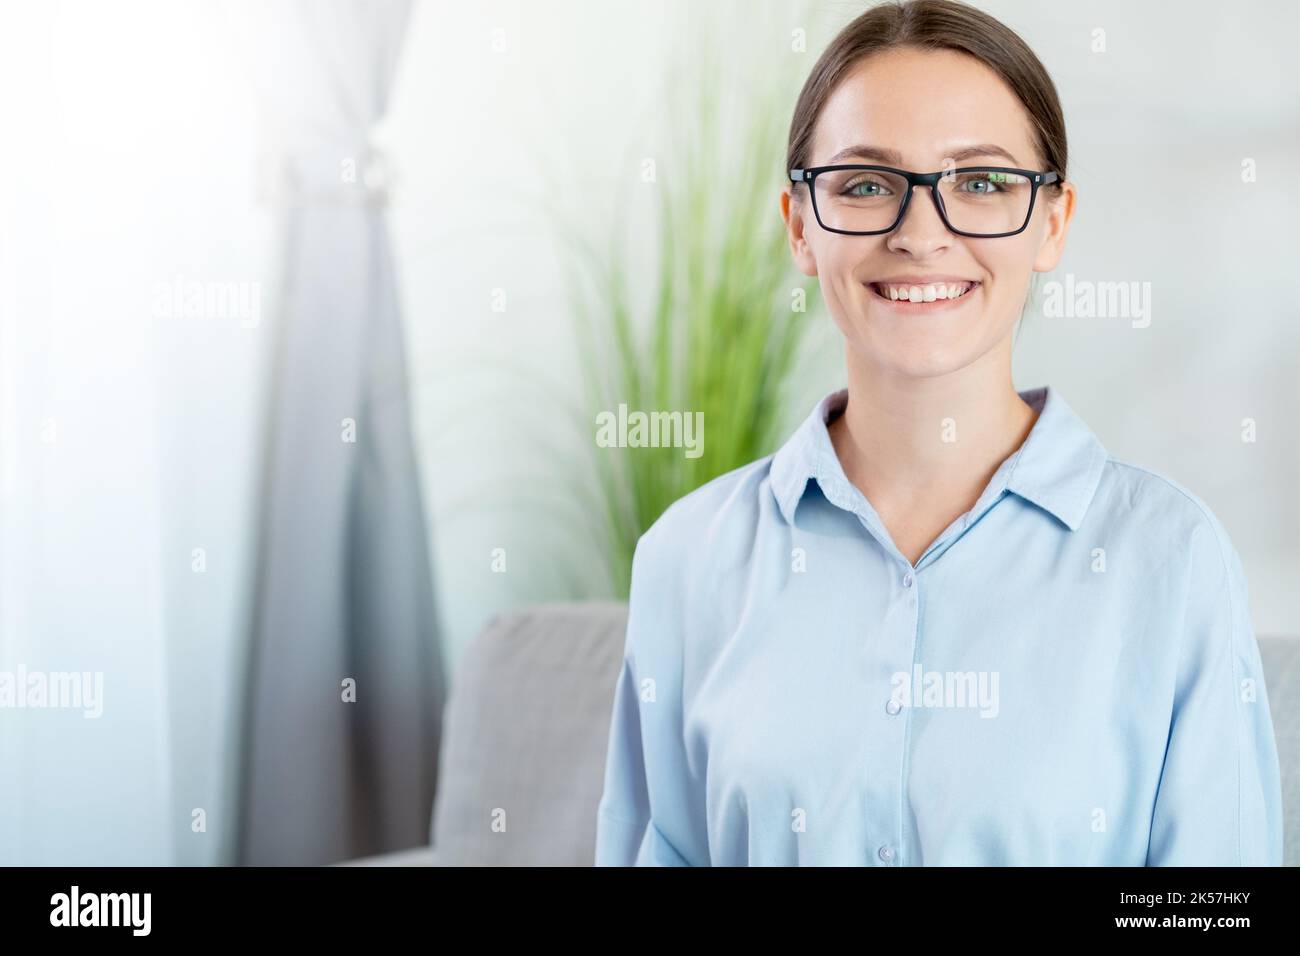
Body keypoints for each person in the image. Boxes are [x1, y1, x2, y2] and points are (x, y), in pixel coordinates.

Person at [593, 0, 1283, 866]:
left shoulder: (1171, 562)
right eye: (867, 184)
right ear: (800, 226)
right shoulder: (686, 560)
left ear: (1053, 223)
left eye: (981, 183)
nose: (921, 234)